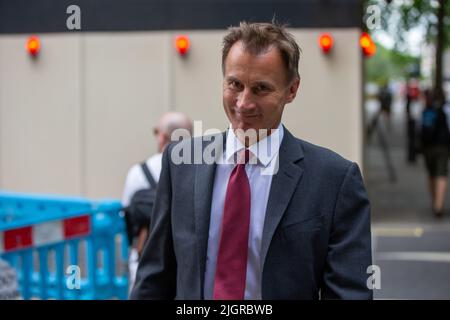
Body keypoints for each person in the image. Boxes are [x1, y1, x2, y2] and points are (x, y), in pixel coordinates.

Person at [131, 21, 372, 300]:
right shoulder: (181, 163)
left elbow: (349, 293)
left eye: (261, 88)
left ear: (292, 90)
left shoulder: (335, 180)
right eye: (235, 84)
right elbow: (154, 278)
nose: (244, 103)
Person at [122, 111, 193, 292]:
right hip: (186, 263)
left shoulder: (138, 173)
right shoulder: (200, 170)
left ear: (162, 137)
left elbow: (126, 217)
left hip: (145, 260)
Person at [420, 89, 450, 217]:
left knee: (431, 174)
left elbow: (419, 128)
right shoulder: (446, 110)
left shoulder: (426, 110)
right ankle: (439, 205)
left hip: (428, 147)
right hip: (443, 146)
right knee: (441, 174)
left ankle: (434, 202)